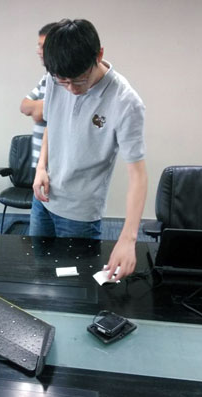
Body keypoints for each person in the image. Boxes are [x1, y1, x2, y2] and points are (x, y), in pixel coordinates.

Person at [31, 19, 148, 281]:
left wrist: (128, 238)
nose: (71, 89)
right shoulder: (55, 78)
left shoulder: (125, 102)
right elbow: (51, 122)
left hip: (80, 212)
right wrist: (41, 167)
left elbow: (138, 175)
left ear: (99, 55)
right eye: (64, 82)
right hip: (43, 199)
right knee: (40, 275)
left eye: (79, 80)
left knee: (76, 286)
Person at [20, 23, 56, 169]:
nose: (39, 51)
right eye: (39, 46)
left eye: (43, 46)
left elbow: (39, 113)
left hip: (54, 166)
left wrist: (40, 108)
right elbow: (24, 106)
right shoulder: (47, 77)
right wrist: (42, 106)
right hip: (39, 165)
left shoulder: (64, 81)